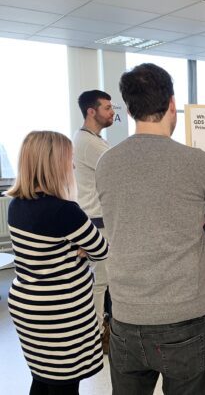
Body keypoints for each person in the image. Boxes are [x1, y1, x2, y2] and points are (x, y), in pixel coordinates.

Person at [95, 63, 205, 395]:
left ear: (128, 109)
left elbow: (120, 223)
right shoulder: (200, 163)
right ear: (172, 104)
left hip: (125, 315)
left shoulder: (107, 164)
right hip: (185, 318)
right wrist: (191, 225)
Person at [6, 131, 109, 395]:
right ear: (52, 164)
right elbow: (101, 249)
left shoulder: (16, 204)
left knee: (42, 378)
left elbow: (42, 249)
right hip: (60, 310)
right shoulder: (65, 211)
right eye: (69, 159)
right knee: (65, 385)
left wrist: (74, 248)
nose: (72, 166)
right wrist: (79, 249)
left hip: (27, 307)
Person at [73, 89, 114, 353]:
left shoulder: (88, 139)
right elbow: (121, 168)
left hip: (97, 218)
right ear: (92, 111)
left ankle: (102, 327)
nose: (112, 113)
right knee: (102, 281)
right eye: (108, 108)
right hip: (98, 220)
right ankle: (99, 333)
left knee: (103, 280)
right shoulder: (90, 143)